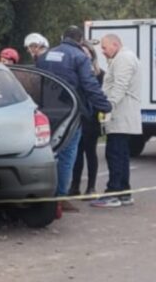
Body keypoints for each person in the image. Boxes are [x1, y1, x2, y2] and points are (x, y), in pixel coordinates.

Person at [35, 26, 112, 211]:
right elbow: (89, 85)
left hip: (46, 112)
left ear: (62, 37)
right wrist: (105, 105)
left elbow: (37, 82)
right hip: (70, 113)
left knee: (48, 153)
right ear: (80, 40)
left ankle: (44, 193)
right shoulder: (79, 57)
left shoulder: (44, 56)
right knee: (68, 153)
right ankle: (60, 196)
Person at [91, 34, 142, 208]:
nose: (103, 52)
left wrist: (108, 106)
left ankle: (113, 193)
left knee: (114, 154)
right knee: (121, 155)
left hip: (121, 115)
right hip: (122, 114)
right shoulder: (123, 58)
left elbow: (120, 85)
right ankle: (124, 193)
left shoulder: (124, 59)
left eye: (104, 48)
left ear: (115, 44)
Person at [70, 42, 103, 197]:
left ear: (92, 55)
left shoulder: (99, 74)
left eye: (87, 52)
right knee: (76, 153)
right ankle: (74, 186)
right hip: (77, 118)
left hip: (92, 118)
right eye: (81, 52)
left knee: (90, 152)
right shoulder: (74, 74)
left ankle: (91, 187)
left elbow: (100, 95)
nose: (84, 55)